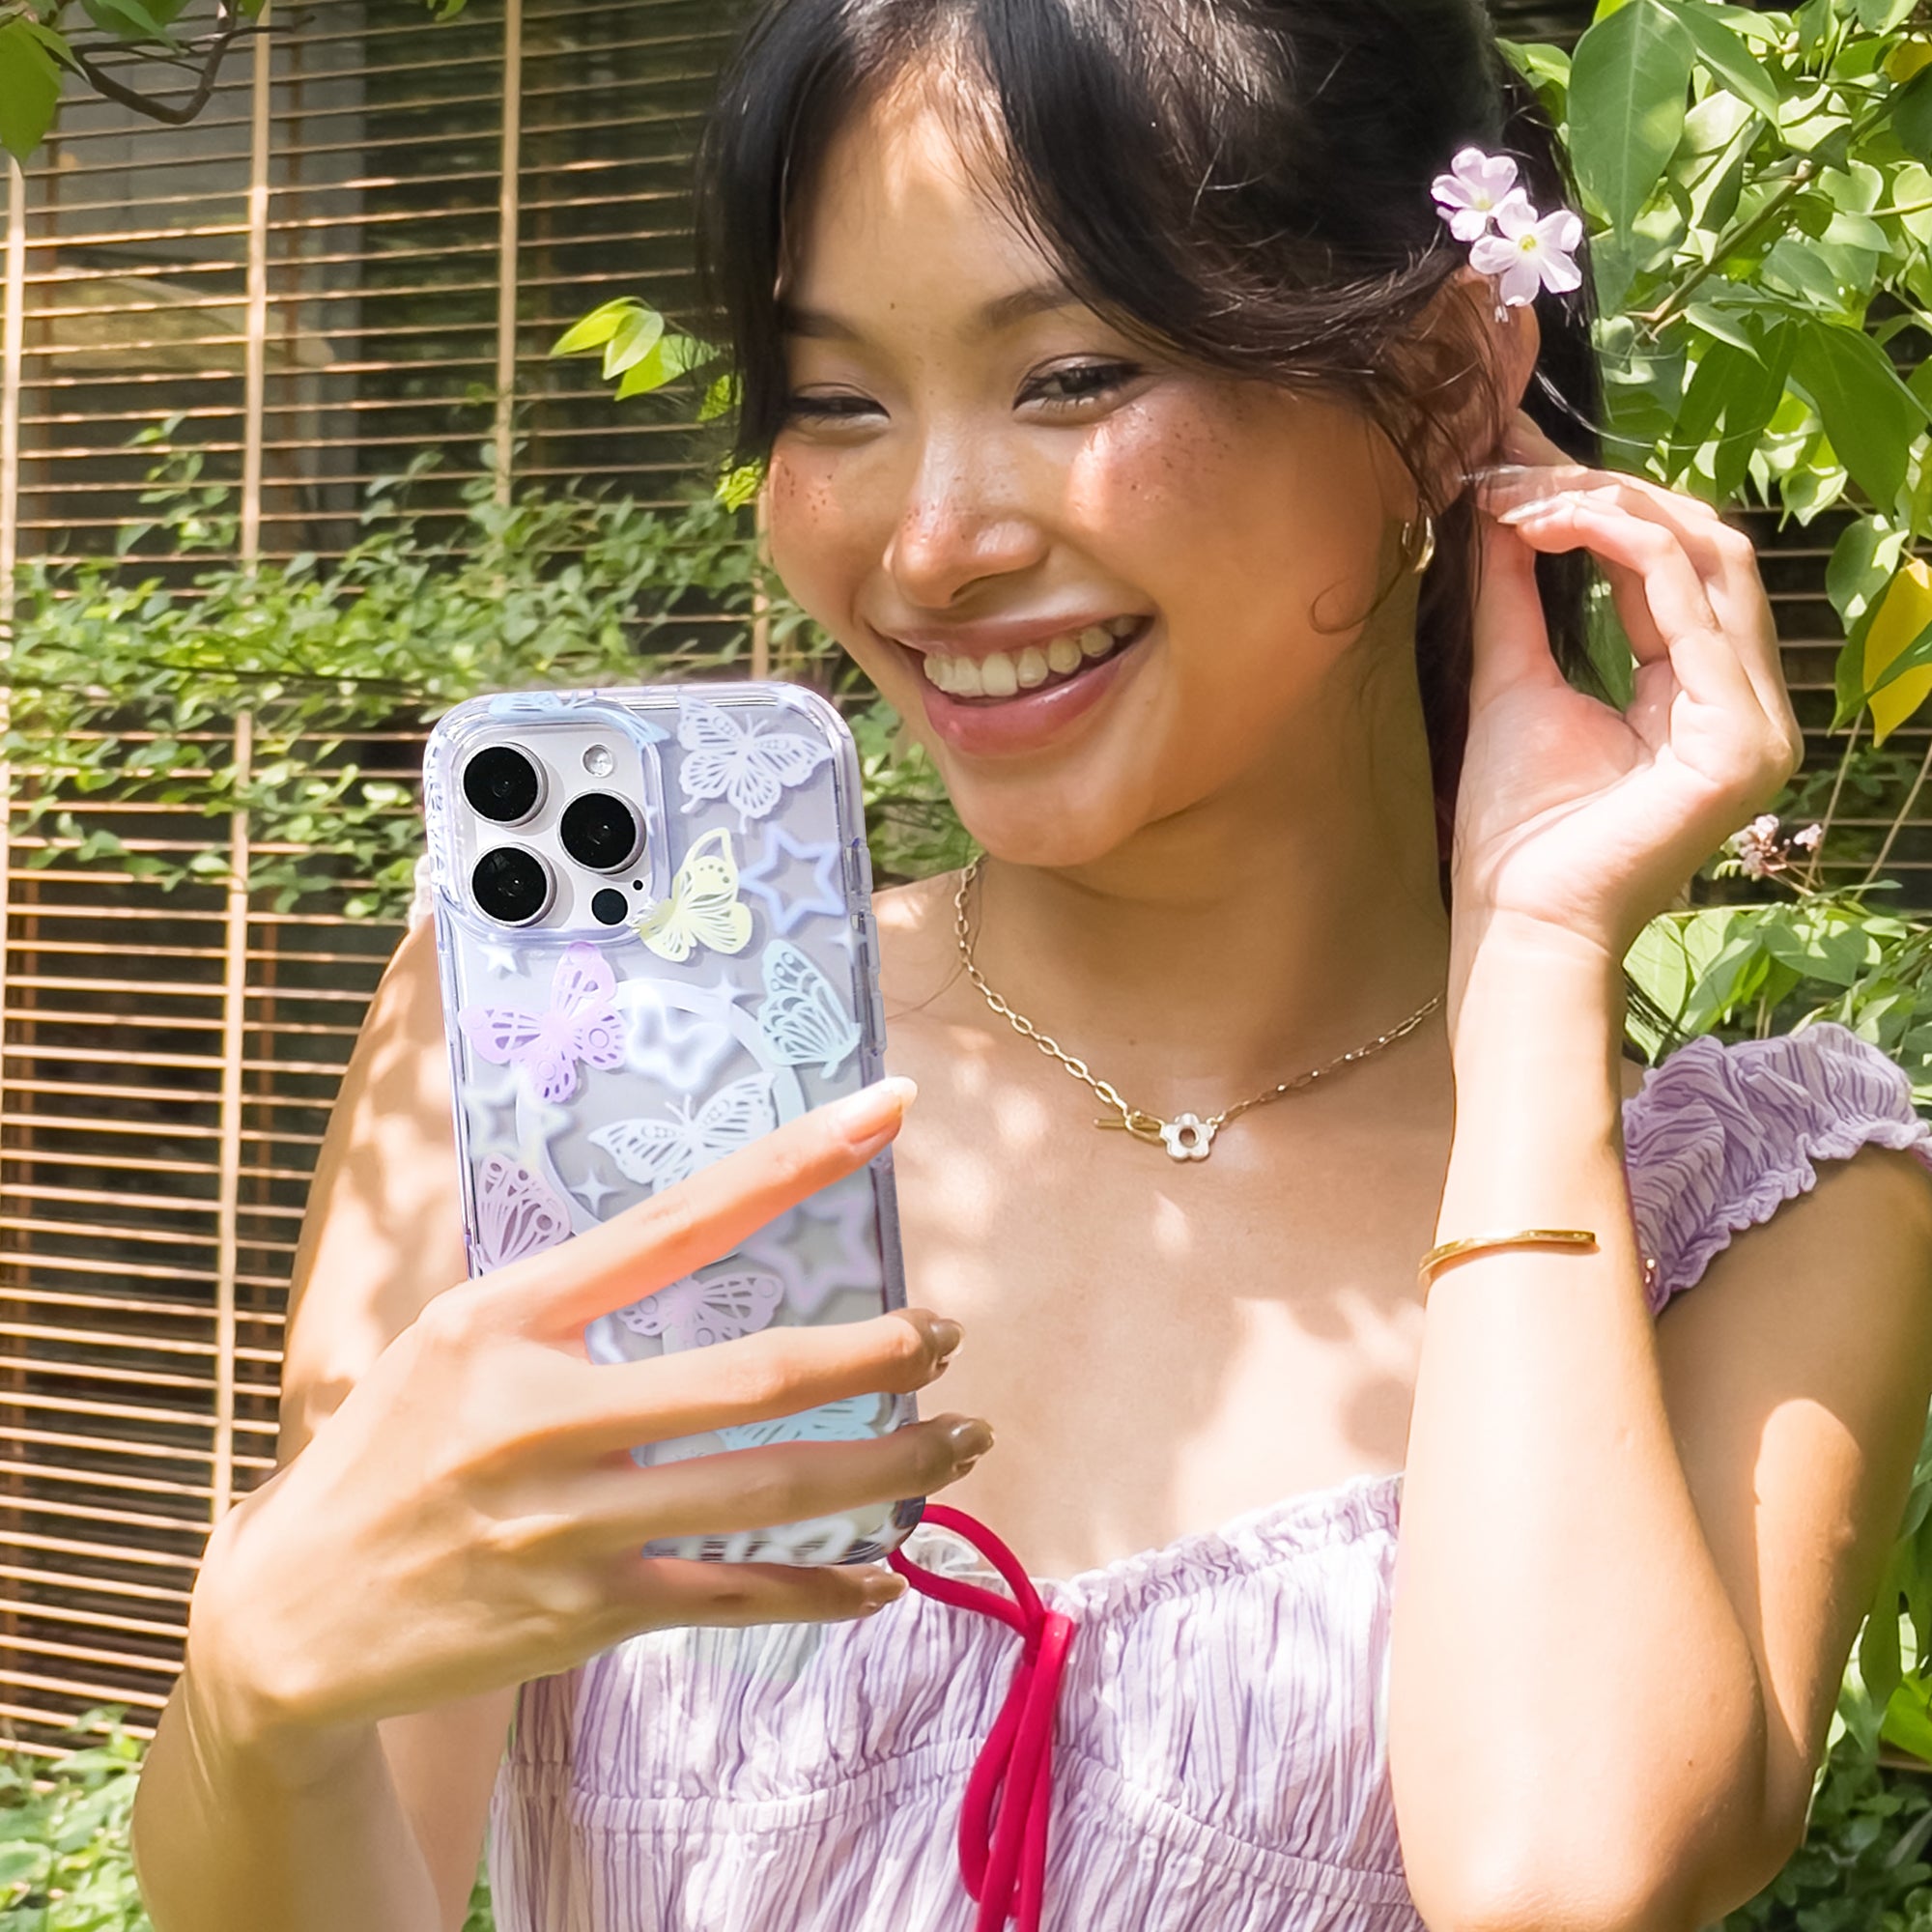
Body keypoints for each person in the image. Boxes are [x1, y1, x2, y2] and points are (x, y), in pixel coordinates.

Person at [130, 1, 1932, 1928]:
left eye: (1068, 377)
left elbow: (1561, 1871)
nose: (931, 547)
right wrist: (255, 1700)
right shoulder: (564, 1047)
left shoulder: (1760, 1216)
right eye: (834, 399)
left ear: (1436, 377)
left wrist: (1540, 955)